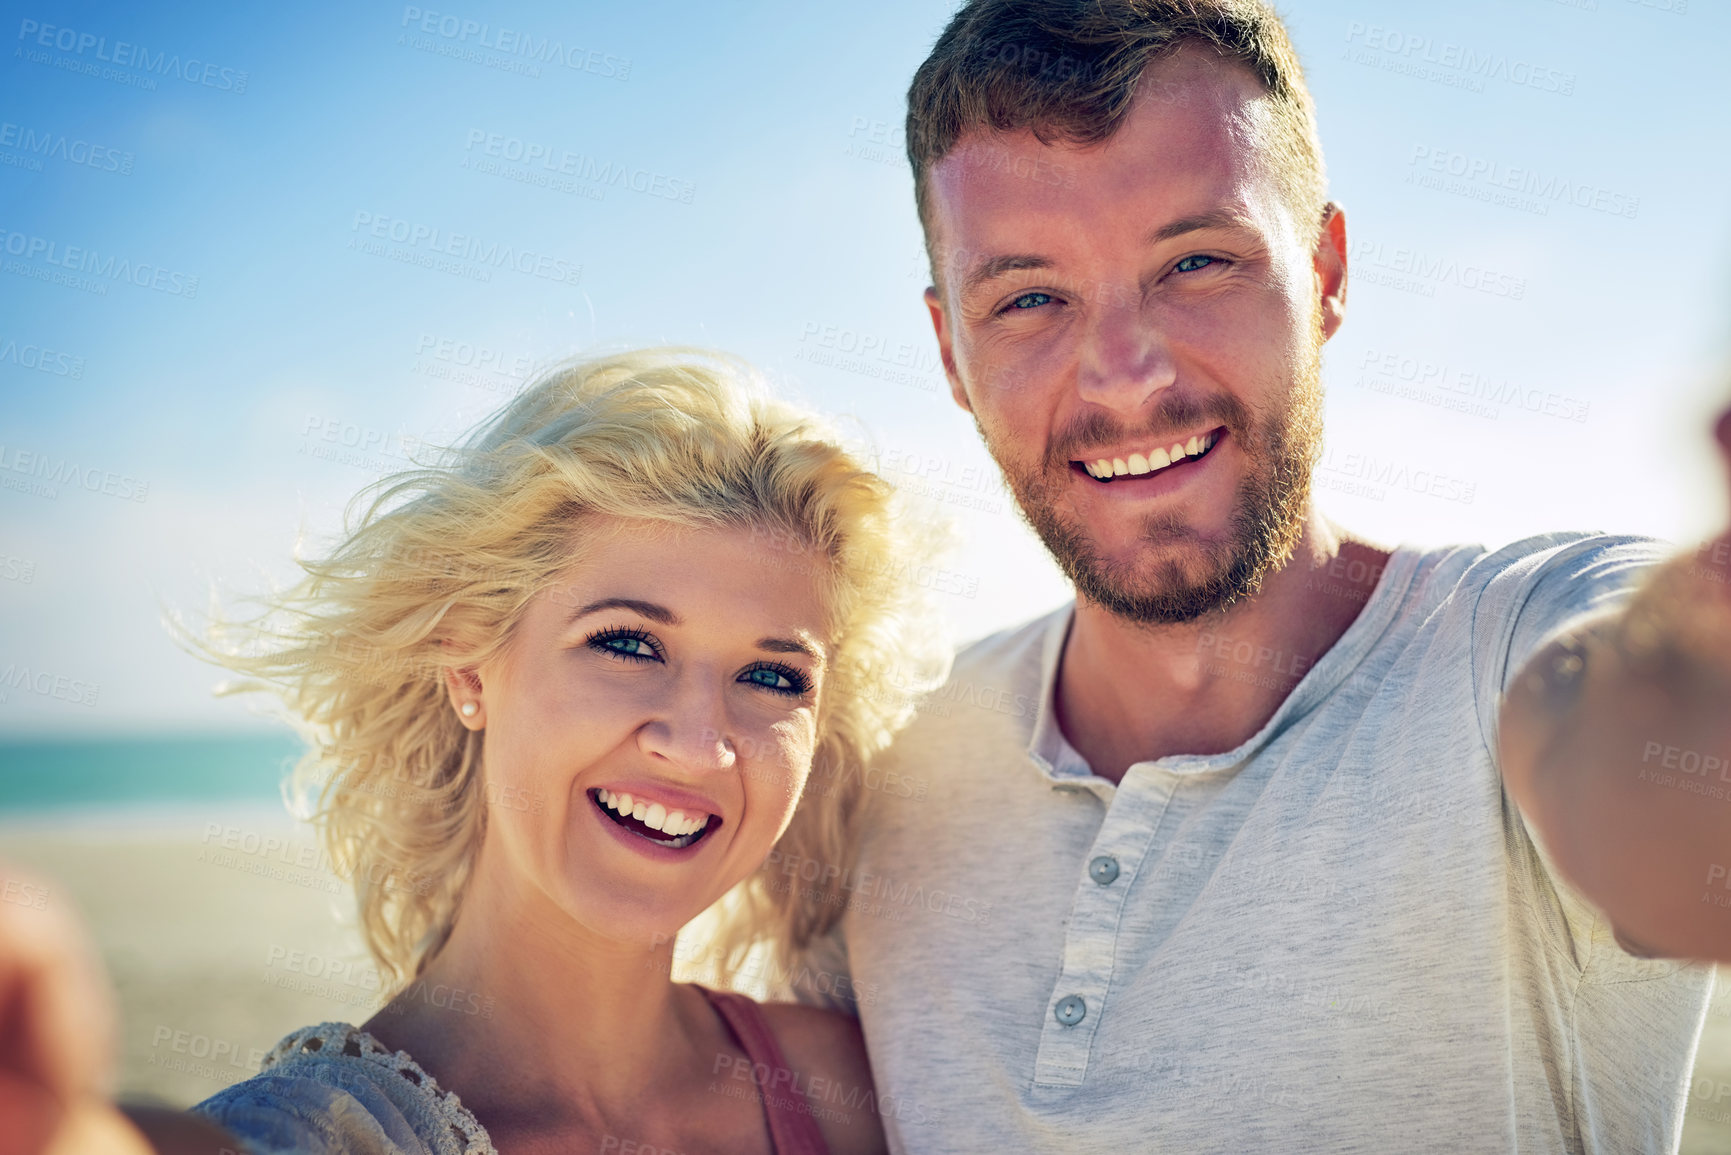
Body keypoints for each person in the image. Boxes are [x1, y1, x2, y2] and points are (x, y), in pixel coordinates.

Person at [789, 2, 1731, 1152]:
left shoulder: (1510, 648)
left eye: (1196, 263)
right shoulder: (881, 777)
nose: (1126, 379)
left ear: (1326, 273)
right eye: (1030, 298)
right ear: (950, 352)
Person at [123, 348, 940, 1155]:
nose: (696, 747)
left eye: (770, 675)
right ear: (469, 667)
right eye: (627, 642)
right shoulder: (319, 1134)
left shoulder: (853, 1093)